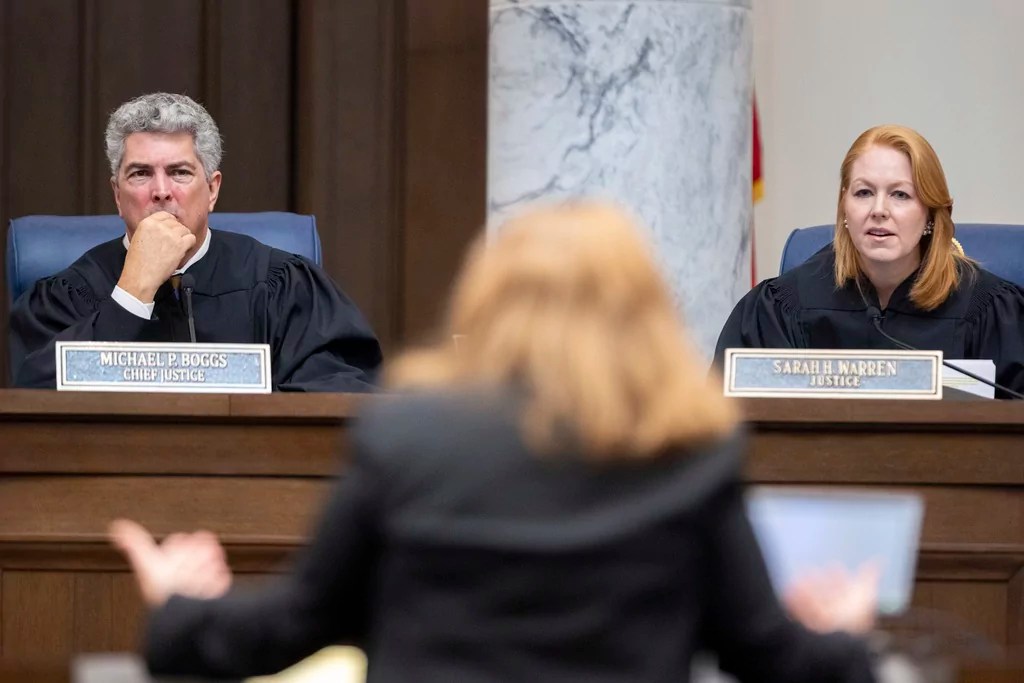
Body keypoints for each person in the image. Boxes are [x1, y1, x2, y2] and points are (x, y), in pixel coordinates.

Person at [110, 202, 879, 682]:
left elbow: (290, 627)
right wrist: (843, 638)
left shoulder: (405, 434)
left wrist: (180, 607)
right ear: (644, 313)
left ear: (489, 300)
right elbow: (768, 654)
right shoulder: (687, 452)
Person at [10, 92, 381, 392]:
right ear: (116, 195)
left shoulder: (280, 283)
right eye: (140, 174)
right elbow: (36, 402)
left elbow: (339, 391)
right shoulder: (67, 295)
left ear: (213, 189)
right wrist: (131, 294)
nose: (160, 191)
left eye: (179, 172)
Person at [716, 124, 1024, 397]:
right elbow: (723, 424)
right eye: (863, 192)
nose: (879, 209)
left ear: (931, 213)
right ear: (845, 207)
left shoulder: (991, 311)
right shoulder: (781, 308)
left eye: (900, 195)